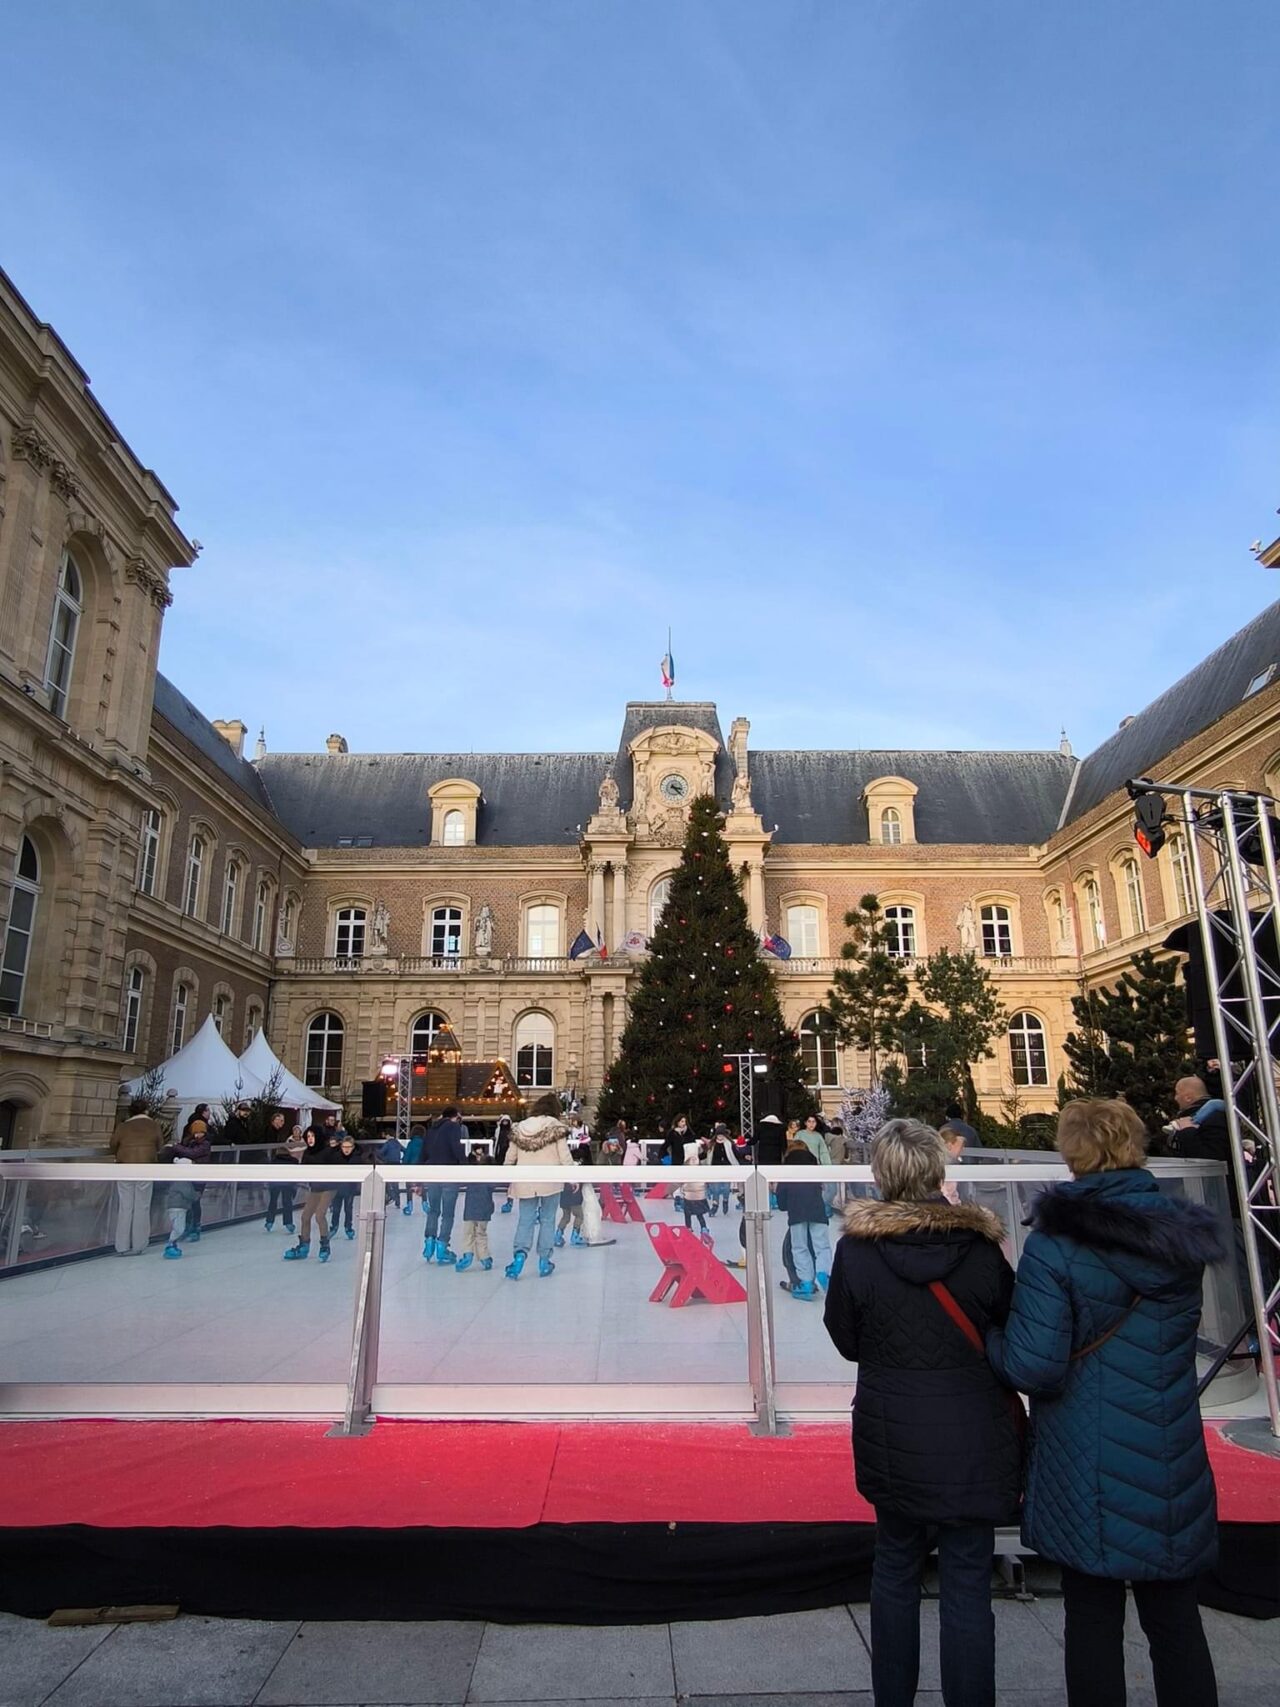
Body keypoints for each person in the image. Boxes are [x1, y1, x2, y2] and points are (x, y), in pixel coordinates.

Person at [987, 1098, 1224, 1707]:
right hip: (1168, 1441)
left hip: (1085, 1454)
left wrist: (988, 1338)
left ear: (1074, 1153)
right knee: (1175, 1620)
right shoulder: (1181, 1236)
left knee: (1091, 1618)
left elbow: (1033, 1366)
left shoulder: (1057, 1244)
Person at [823, 1118, 1021, 1707]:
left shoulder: (857, 1252)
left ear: (883, 1174)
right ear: (938, 1170)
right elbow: (1010, 1326)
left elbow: (845, 1337)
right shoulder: (983, 1250)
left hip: (895, 1433)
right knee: (967, 1583)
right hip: (974, 1438)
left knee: (895, 1572)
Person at [504, 1093, 575, 1279]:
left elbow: (510, 1157)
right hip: (550, 1180)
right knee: (547, 1219)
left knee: (525, 1220)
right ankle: (544, 1260)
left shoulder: (520, 1128)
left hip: (525, 1180)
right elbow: (564, 1156)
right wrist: (573, 1177)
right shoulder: (556, 1127)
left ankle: (519, 1256)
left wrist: (504, 1174)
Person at [776, 1138, 832, 1298]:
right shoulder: (814, 1168)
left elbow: (781, 1201)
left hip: (797, 1213)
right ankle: (824, 1273)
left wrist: (785, 1203)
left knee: (799, 1247)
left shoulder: (786, 1170)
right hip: (817, 1211)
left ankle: (806, 1284)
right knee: (822, 1245)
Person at [110, 1097, 164, 1254]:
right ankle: (139, 1244)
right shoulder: (153, 1125)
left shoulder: (123, 1126)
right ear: (146, 1110)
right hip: (145, 1167)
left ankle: (122, 1245)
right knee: (142, 1205)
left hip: (124, 1167)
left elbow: (113, 1144)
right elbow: (159, 1144)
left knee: (125, 1206)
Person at [283, 1128, 341, 1262]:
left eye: (313, 1136)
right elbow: (304, 1171)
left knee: (320, 1215)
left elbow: (338, 1167)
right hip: (315, 1188)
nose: (310, 1139)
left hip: (330, 1187)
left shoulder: (328, 1152)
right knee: (305, 1216)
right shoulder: (307, 1153)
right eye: (308, 1136)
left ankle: (325, 1245)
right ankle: (304, 1245)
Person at [422, 1106, 467, 1265]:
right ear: (454, 1117)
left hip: (432, 1174)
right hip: (449, 1174)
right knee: (448, 1213)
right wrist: (466, 1165)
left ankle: (429, 1242)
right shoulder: (453, 1127)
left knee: (433, 1211)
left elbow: (424, 1153)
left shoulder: (431, 1129)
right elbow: (456, 1148)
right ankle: (442, 1246)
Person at [166, 1108, 212, 1239]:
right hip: (189, 1176)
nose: (198, 1135)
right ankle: (187, 1225)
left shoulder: (205, 1144)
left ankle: (195, 1227)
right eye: (196, 1132)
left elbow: (192, 1153)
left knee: (195, 1201)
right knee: (187, 1200)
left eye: (201, 1132)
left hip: (199, 1177)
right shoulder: (189, 1141)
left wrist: (176, 1147)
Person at [456, 1148, 496, 1272]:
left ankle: (467, 1255)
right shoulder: (490, 1180)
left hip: (469, 1211)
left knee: (468, 1234)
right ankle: (484, 1258)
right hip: (484, 1212)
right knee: (481, 1234)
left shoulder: (472, 1176)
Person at [264, 1112, 303, 1231]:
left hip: (277, 1178)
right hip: (284, 1179)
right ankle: (287, 1222)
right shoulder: (292, 1160)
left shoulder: (275, 1159)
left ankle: (270, 1221)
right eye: (281, 1120)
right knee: (285, 1200)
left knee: (274, 1199)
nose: (282, 1122)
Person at [162, 1157, 200, 1260]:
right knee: (179, 1228)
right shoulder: (182, 1180)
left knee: (178, 1227)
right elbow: (188, 1193)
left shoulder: (179, 1179)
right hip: (177, 1207)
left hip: (178, 1207)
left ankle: (173, 1244)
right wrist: (196, 1195)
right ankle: (170, 1244)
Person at [329, 1131, 364, 1239]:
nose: (346, 1149)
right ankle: (334, 1226)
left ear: (353, 1147)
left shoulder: (357, 1158)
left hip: (349, 1188)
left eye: (348, 1147)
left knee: (348, 1208)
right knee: (336, 1208)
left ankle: (348, 1227)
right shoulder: (336, 1157)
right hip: (336, 1187)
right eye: (344, 1146)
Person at [680, 1140, 710, 1234]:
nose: (693, 1160)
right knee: (690, 1214)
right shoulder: (685, 1170)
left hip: (697, 1195)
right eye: (691, 1159)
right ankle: (691, 1227)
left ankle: (702, 1227)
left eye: (695, 1158)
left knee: (698, 1214)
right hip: (690, 1195)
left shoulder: (699, 1169)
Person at [706, 1123, 735, 1216]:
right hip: (715, 1169)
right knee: (716, 1189)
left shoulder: (729, 1144)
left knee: (726, 1188)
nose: (720, 1137)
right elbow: (706, 1155)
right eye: (718, 1135)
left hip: (727, 1169)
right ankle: (715, 1205)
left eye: (722, 1135)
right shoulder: (712, 1144)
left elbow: (735, 1155)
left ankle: (725, 1200)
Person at [377, 1130, 407, 1211]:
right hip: (397, 1164)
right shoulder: (397, 1143)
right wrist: (402, 1159)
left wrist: (377, 1153)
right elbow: (405, 1150)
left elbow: (380, 1152)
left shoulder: (388, 1143)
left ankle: (390, 1198)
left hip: (389, 1165)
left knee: (387, 1183)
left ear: (388, 1135)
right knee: (395, 1183)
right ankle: (398, 1201)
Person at [939, 1121, 967, 1207]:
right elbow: (949, 1194)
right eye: (960, 1147)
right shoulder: (945, 1167)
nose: (963, 1150)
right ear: (949, 1146)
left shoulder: (952, 1164)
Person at [494, 1114, 515, 1211]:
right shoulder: (499, 1130)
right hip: (500, 1151)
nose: (505, 1123)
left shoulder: (512, 1131)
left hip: (509, 1150)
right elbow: (497, 1140)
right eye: (504, 1121)